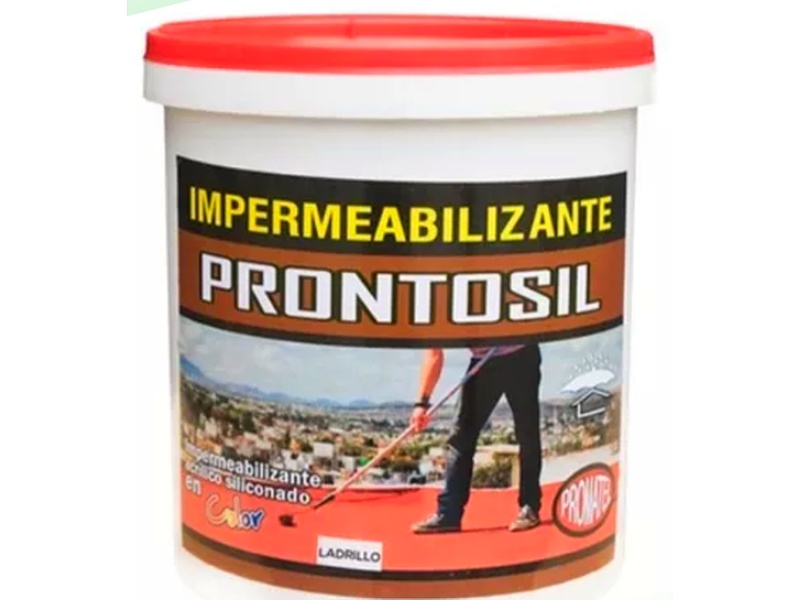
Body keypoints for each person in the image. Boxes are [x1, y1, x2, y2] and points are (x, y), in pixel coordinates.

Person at [409, 344, 543, 534]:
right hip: (483, 361)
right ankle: (448, 514)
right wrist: (422, 404)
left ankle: (529, 507)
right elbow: (433, 353)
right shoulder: (435, 324)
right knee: (460, 437)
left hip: (521, 353)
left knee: (527, 432)